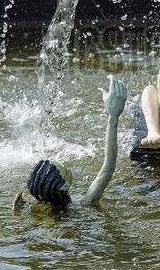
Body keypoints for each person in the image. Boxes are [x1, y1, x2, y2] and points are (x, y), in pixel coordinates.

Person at [12, 75, 127, 211]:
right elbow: (108, 166)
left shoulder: (40, 209)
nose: (66, 166)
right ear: (64, 186)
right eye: (63, 169)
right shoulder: (86, 203)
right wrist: (113, 116)